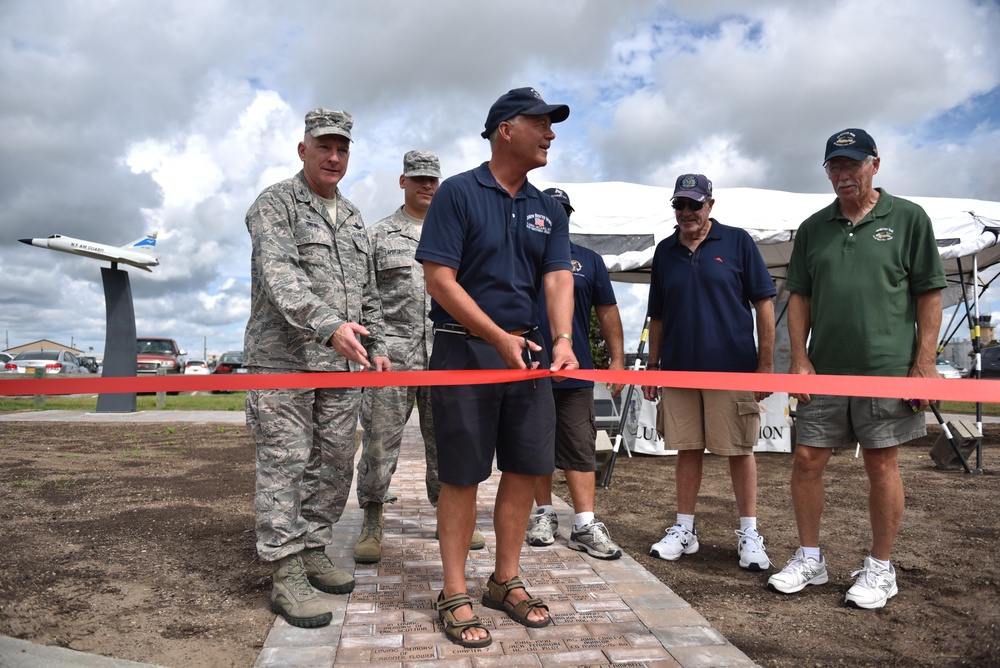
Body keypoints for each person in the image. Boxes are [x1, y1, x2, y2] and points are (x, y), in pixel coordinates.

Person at [414, 87, 578, 648]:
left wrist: (560, 339)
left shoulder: (548, 207)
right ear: (505, 128)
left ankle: (503, 580)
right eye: (541, 123)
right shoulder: (458, 193)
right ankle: (453, 591)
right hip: (464, 350)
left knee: (526, 467)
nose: (551, 133)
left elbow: (558, 278)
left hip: (527, 353)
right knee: (461, 473)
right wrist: (495, 336)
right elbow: (440, 279)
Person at [767, 129, 946, 609]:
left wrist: (924, 364)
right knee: (806, 460)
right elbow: (798, 296)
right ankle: (811, 559)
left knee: (881, 462)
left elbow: (930, 292)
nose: (842, 174)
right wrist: (799, 359)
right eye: (834, 166)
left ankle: (881, 569)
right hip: (823, 370)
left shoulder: (908, 218)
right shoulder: (813, 227)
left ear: (875, 165)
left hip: (887, 370)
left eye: (852, 164)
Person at [244, 108, 391, 628]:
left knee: (332, 461)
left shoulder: (351, 216)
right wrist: (328, 323)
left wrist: (375, 341)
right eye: (324, 146)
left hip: (341, 364)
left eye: (343, 149)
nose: (334, 157)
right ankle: (284, 571)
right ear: (302, 149)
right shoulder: (275, 204)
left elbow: (367, 290)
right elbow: (280, 275)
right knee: (285, 462)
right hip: (282, 362)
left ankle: (312, 548)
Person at [354, 150, 485, 563]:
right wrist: (374, 349)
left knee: (448, 442)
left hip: (446, 355)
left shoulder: (457, 235)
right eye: (418, 179)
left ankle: (450, 519)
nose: (426, 186)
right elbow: (363, 298)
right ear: (403, 181)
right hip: (391, 358)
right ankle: (372, 519)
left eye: (432, 179)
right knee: (378, 441)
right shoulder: (377, 236)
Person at [641, 173, 776, 572]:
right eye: (679, 205)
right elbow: (658, 315)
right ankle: (684, 530)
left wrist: (765, 366)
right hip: (680, 369)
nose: (686, 213)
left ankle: (750, 533)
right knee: (686, 448)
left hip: (732, 368)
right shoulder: (665, 252)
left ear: (710, 206)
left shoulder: (738, 242)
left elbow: (764, 304)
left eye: (694, 205)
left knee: (739, 450)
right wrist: (652, 367)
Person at [526, 187, 626, 560]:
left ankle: (584, 523)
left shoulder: (589, 260)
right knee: (535, 446)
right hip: (530, 371)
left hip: (575, 372)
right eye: (550, 212)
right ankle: (544, 514)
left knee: (580, 446)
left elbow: (608, 311)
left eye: (562, 211)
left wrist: (617, 361)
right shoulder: (523, 256)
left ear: (568, 215)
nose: (557, 217)